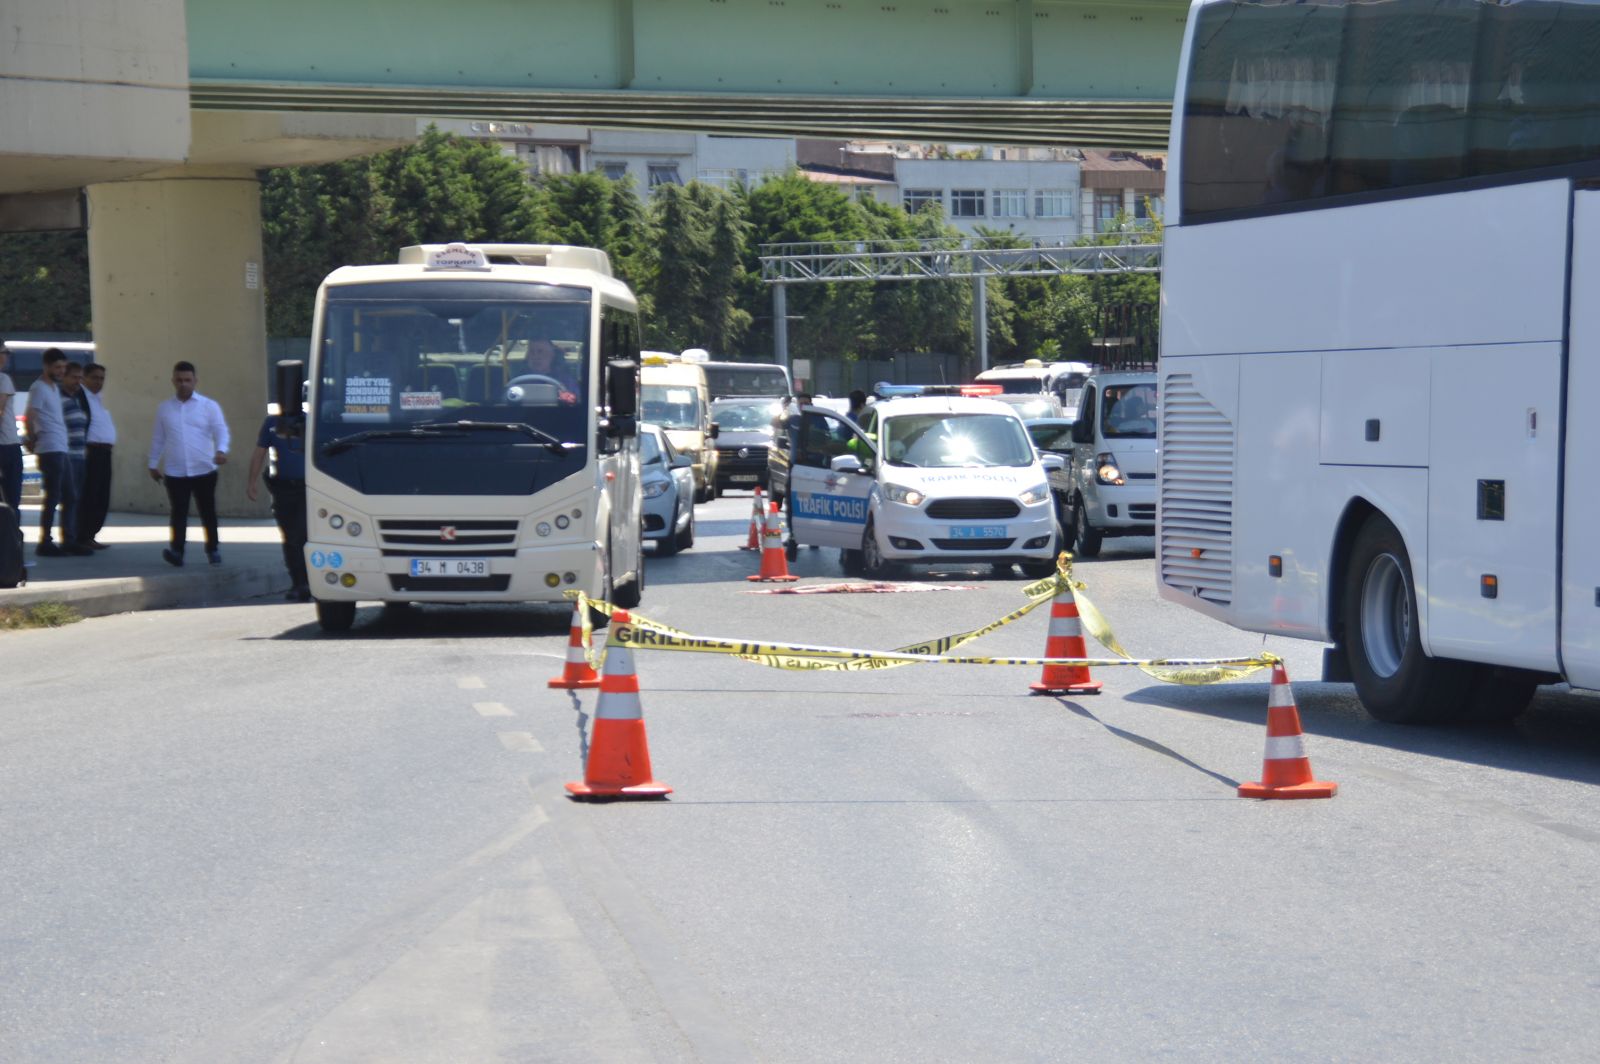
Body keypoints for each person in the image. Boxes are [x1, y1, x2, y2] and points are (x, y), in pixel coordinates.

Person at [148, 360, 230, 567]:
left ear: (195, 381)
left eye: (187, 380)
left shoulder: (208, 406)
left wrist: (221, 450)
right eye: (179, 380)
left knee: (207, 511)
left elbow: (220, 430)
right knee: (179, 512)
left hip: (204, 469)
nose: (183, 384)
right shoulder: (164, 409)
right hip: (176, 471)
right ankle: (177, 551)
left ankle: (213, 548)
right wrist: (153, 463)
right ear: (173, 381)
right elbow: (159, 438)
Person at [23, 348, 87, 556]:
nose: (61, 371)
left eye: (63, 367)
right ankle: (45, 542)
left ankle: (68, 540)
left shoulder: (53, 388)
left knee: (70, 495)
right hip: (50, 448)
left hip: (62, 447)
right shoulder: (39, 388)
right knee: (53, 496)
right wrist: (32, 439)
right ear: (46, 366)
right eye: (57, 367)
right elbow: (30, 414)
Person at [246, 408, 310, 601]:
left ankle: (310, 582)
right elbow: (259, 453)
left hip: (308, 488)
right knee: (290, 537)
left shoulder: (309, 421)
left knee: (303, 535)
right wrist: (252, 482)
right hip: (283, 489)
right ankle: (298, 583)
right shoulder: (272, 423)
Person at [79, 362, 117, 549]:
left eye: (102, 378)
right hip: (91, 452)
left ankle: (91, 534)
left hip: (105, 452)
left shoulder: (99, 399)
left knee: (102, 495)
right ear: (84, 378)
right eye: (94, 377)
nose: (99, 382)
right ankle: (83, 535)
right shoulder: (81, 397)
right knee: (90, 494)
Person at [58, 360, 92, 552]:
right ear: (64, 376)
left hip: (80, 456)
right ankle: (68, 540)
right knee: (69, 498)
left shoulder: (78, 399)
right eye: (74, 377)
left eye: (80, 378)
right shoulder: (59, 400)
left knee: (77, 498)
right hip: (68, 456)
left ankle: (74, 536)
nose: (78, 381)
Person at [0, 347, 20, 509]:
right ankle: (11, 534)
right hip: (7, 445)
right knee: (11, 498)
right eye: (4, 353)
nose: (6, 357)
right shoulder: (3, 379)